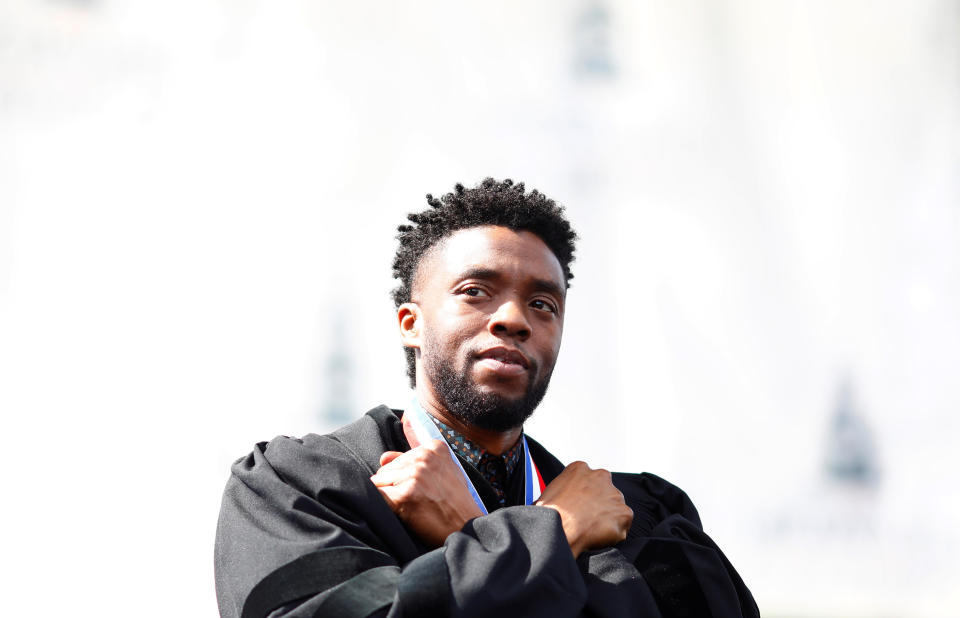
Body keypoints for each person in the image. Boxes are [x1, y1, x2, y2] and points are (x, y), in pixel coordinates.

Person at [214, 178, 759, 618]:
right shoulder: (300, 486)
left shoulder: (636, 515)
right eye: (475, 291)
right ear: (411, 322)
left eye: (543, 304)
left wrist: (468, 531)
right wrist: (556, 531)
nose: (514, 319)